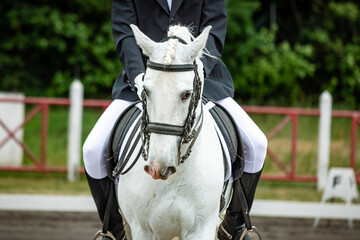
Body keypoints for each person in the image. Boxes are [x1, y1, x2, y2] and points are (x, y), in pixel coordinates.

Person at [83, 0, 268, 239]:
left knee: (257, 144)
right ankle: (114, 230)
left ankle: (234, 226)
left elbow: (215, 28)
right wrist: (139, 77)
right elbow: (125, 35)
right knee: (92, 149)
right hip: (145, 80)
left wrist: (199, 70)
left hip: (200, 79)